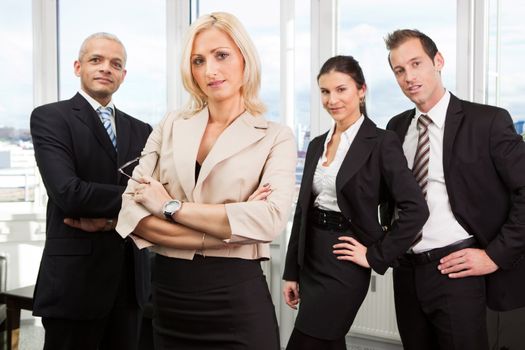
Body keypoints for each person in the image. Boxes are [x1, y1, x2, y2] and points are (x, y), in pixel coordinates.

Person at [115, 12, 297, 350]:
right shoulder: (171, 124)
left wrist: (169, 207)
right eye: (198, 60)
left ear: (245, 58)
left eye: (221, 55)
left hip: (235, 298)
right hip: (170, 296)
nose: (209, 70)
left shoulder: (276, 137)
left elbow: (269, 221)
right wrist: (232, 229)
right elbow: (131, 215)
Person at [383, 29, 525, 350]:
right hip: (406, 273)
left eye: (416, 63)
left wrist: (495, 255)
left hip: (457, 271)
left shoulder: (487, 122)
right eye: (399, 70)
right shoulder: (395, 127)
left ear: (438, 61)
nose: (409, 77)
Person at [282, 55, 429, 350]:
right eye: (325, 92)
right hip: (311, 258)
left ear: (361, 90)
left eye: (341, 90)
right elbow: (302, 211)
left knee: (307, 341)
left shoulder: (381, 142)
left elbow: (416, 209)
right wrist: (291, 272)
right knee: (327, 341)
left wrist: (376, 255)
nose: (332, 99)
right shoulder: (315, 145)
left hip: (344, 263)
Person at [30, 33, 152, 349]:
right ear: (78, 66)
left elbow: (158, 192)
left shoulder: (142, 130)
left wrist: (119, 213)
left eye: (116, 64)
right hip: (74, 284)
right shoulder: (51, 118)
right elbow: (67, 193)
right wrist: (137, 198)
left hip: (130, 285)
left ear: (123, 75)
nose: (105, 69)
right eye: (96, 60)